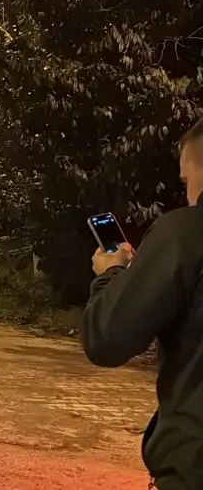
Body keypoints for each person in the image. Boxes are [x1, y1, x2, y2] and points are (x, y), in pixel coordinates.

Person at [82, 118, 203, 489]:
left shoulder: (185, 233)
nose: (187, 194)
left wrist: (111, 274)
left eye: (186, 181)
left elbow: (106, 338)